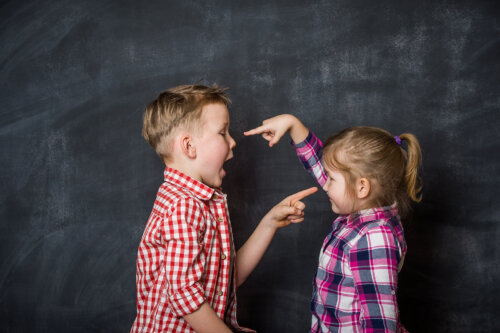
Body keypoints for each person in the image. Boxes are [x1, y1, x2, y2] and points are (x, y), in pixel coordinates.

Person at [130, 86, 317, 333]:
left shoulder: (202, 201)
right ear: (189, 146)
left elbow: (226, 278)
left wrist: (269, 222)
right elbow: (183, 296)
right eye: (223, 133)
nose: (233, 141)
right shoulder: (183, 205)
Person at [245, 114, 422, 332]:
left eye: (331, 179)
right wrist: (293, 124)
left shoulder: (375, 237)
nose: (325, 185)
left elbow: (381, 322)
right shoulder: (362, 209)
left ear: (362, 188)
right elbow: (322, 166)